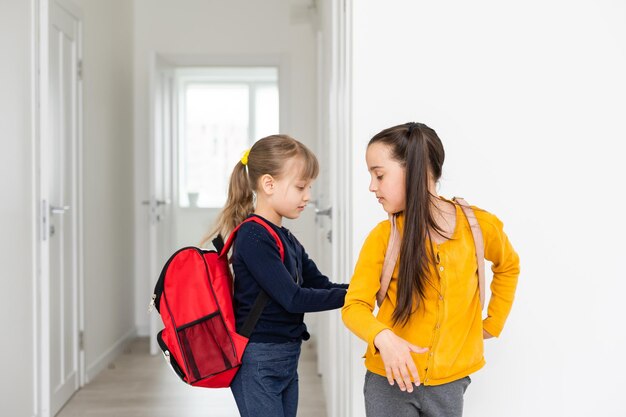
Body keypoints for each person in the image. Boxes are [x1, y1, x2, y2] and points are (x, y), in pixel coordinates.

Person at [341, 122, 520, 417]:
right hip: (388, 382)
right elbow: (354, 307)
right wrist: (383, 337)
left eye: (379, 174)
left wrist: (493, 322)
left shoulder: (478, 226)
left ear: (413, 171)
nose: (372, 186)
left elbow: (509, 265)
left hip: (450, 384)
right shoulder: (383, 237)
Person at [202, 134, 348, 417]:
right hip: (258, 358)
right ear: (269, 184)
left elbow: (321, 285)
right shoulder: (253, 236)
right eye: (301, 187)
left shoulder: (285, 238)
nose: (308, 196)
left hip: (285, 356)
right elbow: (293, 299)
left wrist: (367, 290)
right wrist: (355, 295)